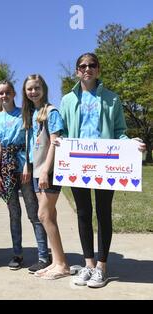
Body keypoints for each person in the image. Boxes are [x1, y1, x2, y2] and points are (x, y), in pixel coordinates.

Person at [59, 53, 146, 288]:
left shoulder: (112, 99)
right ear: (77, 71)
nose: (87, 69)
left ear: (98, 70)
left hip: (106, 166)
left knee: (103, 212)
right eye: (83, 66)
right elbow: (63, 130)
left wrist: (131, 144)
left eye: (92, 65)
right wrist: (60, 141)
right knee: (83, 213)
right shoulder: (67, 100)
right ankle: (88, 265)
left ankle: (102, 267)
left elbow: (119, 132)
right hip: (77, 164)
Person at [0, 80, 50, 273]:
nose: (4, 96)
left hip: (23, 164)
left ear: (14, 93)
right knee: (14, 213)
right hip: (6, 168)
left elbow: (31, 140)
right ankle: (17, 253)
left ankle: (43, 254)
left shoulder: (25, 113)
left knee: (34, 212)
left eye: (7, 92)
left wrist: (27, 166)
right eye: (0, 93)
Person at [21, 74, 70, 280]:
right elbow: (33, 144)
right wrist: (28, 165)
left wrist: (45, 171)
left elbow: (55, 143)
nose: (33, 91)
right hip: (37, 169)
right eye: (29, 88)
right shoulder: (32, 113)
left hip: (49, 171)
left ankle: (62, 264)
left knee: (43, 215)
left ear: (44, 88)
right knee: (49, 216)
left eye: (37, 87)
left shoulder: (52, 112)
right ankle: (57, 262)